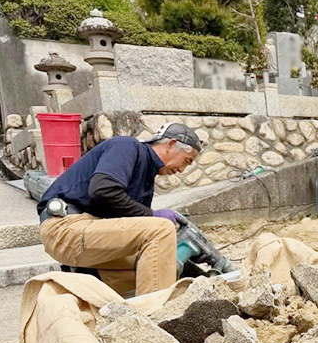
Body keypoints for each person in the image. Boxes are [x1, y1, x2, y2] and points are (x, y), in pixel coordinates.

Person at [38, 123, 202, 296]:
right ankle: (155, 314)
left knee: (162, 263)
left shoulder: (146, 177)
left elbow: (134, 227)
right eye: (186, 161)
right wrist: (152, 215)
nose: (182, 170)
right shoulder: (127, 146)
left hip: (90, 232)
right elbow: (102, 190)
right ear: (171, 144)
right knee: (161, 230)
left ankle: (79, 288)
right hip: (65, 226)